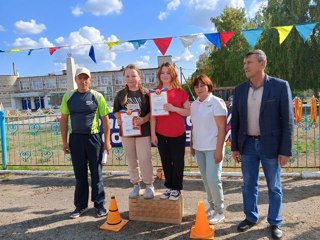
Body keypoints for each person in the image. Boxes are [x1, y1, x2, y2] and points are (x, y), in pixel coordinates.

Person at [231, 49, 294, 239]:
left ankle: (275, 222)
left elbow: (288, 121)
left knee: (274, 186)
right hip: (247, 144)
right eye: (244, 64)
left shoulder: (280, 86)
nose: (245, 67)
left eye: (249, 62)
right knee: (248, 184)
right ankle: (250, 217)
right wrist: (235, 146)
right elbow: (236, 121)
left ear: (262, 63)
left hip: (272, 146)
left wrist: (285, 150)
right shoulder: (240, 89)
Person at [60, 67, 112, 219]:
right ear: (76, 80)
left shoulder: (97, 96)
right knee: (80, 174)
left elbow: (106, 122)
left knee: (97, 173)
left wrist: (107, 142)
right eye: (80, 78)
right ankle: (80, 206)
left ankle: (100, 205)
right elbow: (63, 120)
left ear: (90, 80)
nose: (83, 81)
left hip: (93, 139)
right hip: (75, 139)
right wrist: (64, 142)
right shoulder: (68, 96)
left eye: (86, 78)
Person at [113, 64, 154, 199]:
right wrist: (119, 118)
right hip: (127, 133)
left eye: (133, 76)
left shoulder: (146, 94)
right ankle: (135, 184)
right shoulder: (120, 94)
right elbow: (116, 112)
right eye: (127, 76)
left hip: (144, 132)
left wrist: (143, 120)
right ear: (124, 78)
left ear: (139, 77)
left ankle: (149, 185)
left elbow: (152, 113)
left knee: (144, 159)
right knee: (131, 160)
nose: (130, 79)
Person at [190, 74, 227, 224]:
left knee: (213, 179)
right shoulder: (194, 104)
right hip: (199, 148)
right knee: (206, 180)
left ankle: (219, 211)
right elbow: (194, 126)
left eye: (202, 85)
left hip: (213, 148)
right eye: (196, 86)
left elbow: (222, 128)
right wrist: (192, 144)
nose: (199, 88)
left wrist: (219, 150)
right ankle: (212, 206)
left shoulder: (217, 103)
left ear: (209, 86)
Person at [150, 62, 190, 201]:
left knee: (178, 161)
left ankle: (177, 188)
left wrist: (174, 109)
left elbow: (188, 111)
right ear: (159, 75)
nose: (165, 75)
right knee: (165, 161)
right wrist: (153, 134)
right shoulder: (155, 92)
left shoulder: (180, 91)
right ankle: (169, 186)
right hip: (161, 133)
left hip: (178, 132)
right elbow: (153, 116)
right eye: (163, 73)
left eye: (168, 72)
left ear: (173, 74)